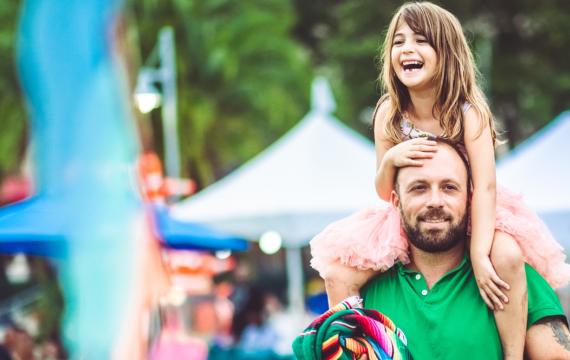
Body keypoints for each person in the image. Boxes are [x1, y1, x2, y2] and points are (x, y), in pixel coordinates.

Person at [309, 2, 570, 359]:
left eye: (420, 41)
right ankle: (358, 347)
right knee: (338, 271)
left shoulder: (468, 112)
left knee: (506, 254)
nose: (407, 50)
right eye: (399, 42)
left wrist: (479, 254)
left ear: (445, 53)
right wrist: (390, 161)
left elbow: (485, 186)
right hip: (402, 214)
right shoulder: (389, 111)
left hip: (475, 205)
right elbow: (385, 191)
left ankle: (511, 352)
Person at [358, 139, 570, 358]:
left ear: (470, 199)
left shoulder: (512, 277)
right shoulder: (364, 290)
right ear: (396, 201)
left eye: (449, 187)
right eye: (419, 188)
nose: (435, 201)